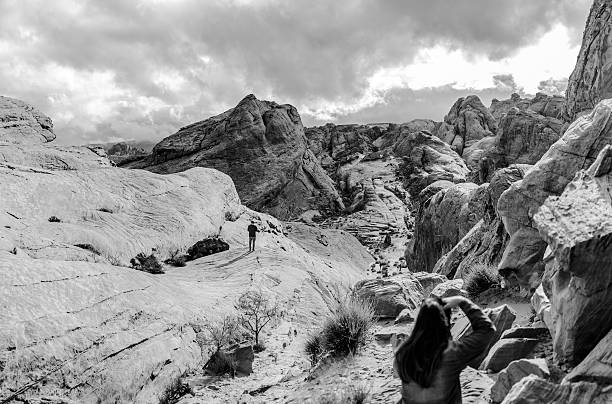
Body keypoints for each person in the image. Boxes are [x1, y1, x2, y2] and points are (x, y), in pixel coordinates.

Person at [394, 296, 495, 404]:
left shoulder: (402, 352)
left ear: (419, 321)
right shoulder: (451, 353)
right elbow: (486, 329)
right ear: (445, 322)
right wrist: (462, 301)